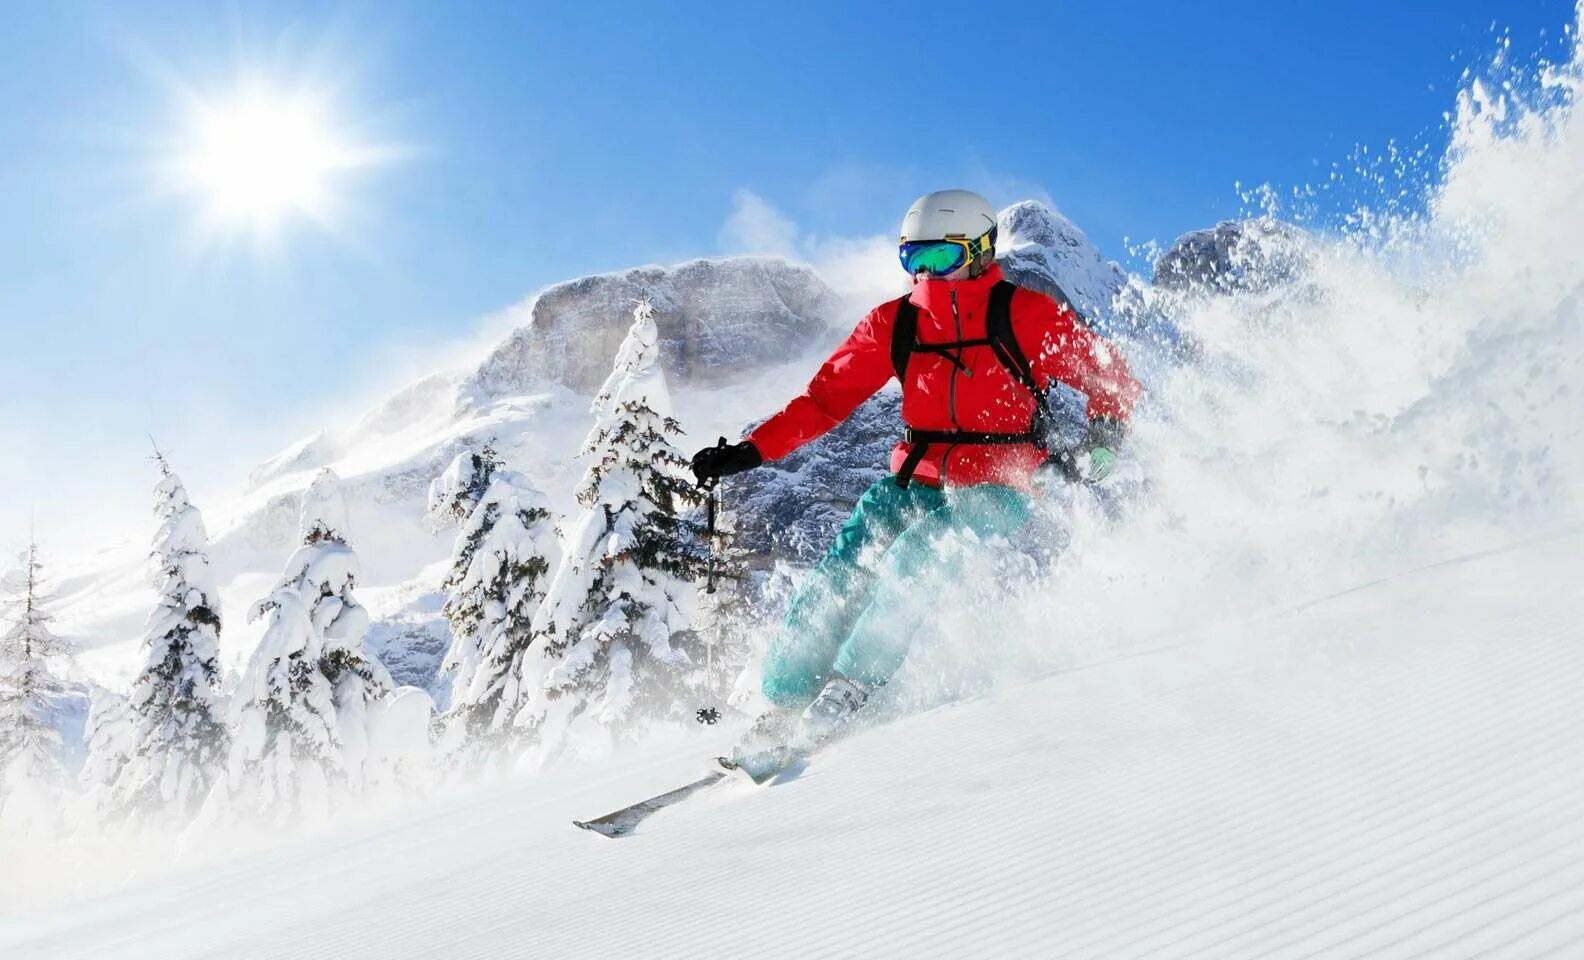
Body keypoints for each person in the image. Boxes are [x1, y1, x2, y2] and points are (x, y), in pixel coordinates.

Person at [691, 189, 1142, 779]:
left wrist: (1104, 438)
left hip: (1001, 482)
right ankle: (784, 699)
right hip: (915, 480)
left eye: (941, 258)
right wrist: (753, 451)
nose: (927, 274)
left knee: (918, 555)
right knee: (845, 564)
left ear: (981, 252)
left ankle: (853, 685)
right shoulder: (895, 323)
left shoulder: (1025, 315)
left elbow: (1112, 377)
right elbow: (826, 401)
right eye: (915, 259)